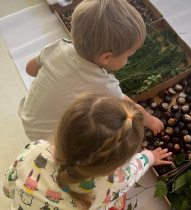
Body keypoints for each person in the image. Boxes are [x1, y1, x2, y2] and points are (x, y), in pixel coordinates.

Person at [19, 0, 163, 142]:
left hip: (28, 115)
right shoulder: (103, 83)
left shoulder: (58, 46)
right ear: (106, 57)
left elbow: (30, 69)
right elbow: (130, 107)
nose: (128, 61)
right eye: (128, 56)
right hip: (50, 140)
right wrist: (150, 121)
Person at [4, 92, 172, 210]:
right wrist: (149, 156)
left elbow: (8, 188)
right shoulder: (112, 182)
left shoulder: (34, 150)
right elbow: (133, 172)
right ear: (117, 164)